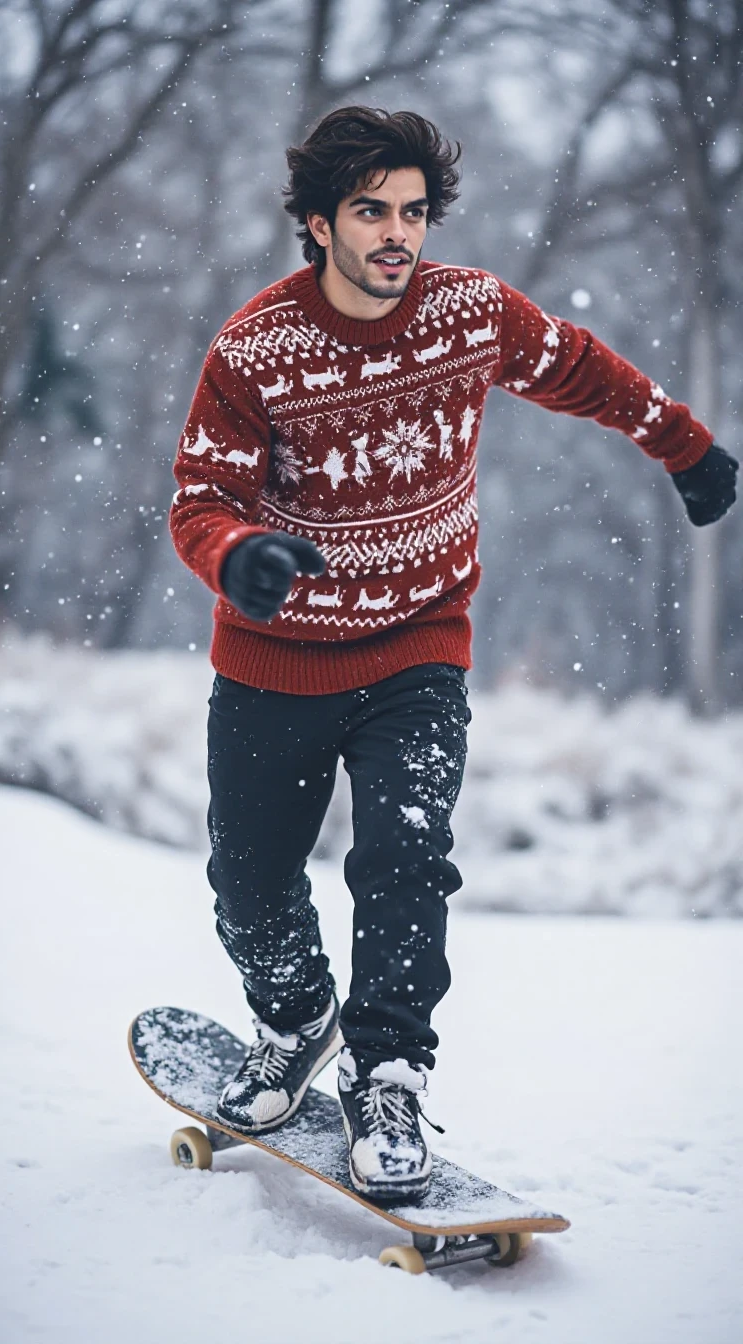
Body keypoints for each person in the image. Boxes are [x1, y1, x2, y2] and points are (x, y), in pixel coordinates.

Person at [169, 106, 737, 1200]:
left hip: (417, 650)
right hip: (272, 663)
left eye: (414, 212)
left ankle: (387, 1073)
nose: (397, 233)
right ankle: (296, 1028)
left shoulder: (468, 314)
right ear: (320, 222)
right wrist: (238, 556)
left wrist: (687, 448)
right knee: (247, 884)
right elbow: (202, 496)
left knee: (406, 864)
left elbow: (581, 369)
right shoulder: (255, 349)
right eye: (371, 211)